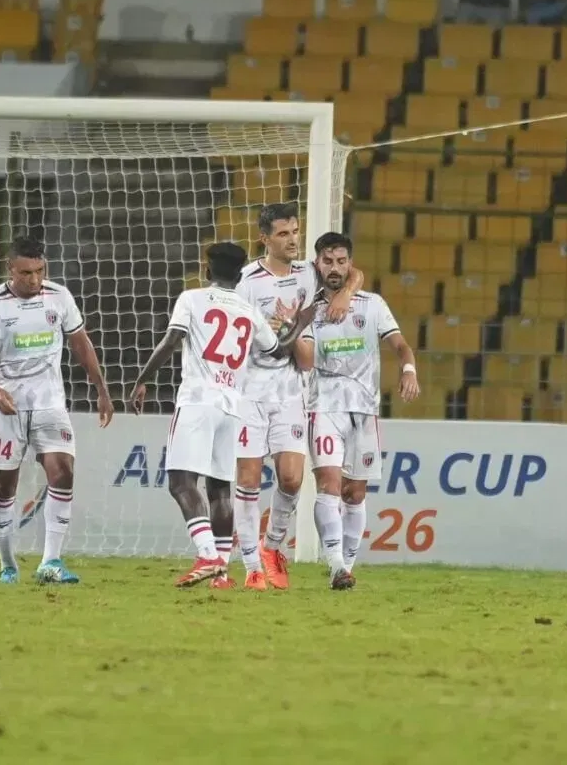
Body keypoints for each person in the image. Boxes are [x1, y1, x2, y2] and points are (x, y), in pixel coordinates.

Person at [129, 242, 313, 589]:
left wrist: (142, 379)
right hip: (233, 406)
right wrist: (296, 322)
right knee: (219, 490)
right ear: (240, 275)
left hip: (199, 401)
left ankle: (207, 555)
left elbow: (171, 340)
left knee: (181, 482)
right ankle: (223, 574)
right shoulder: (249, 311)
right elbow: (278, 351)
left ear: (207, 270)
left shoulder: (192, 298)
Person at [0, 235, 114, 584]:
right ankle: (7, 565)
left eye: (39, 271)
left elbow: (81, 343)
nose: (34, 279)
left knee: (63, 472)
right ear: (10, 269)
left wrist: (102, 388)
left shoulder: (59, 296)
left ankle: (51, 562)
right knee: (3, 488)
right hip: (8, 408)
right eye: (25, 273)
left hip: (50, 403)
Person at [234, 203, 362, 591]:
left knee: (291, 480)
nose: (293, 240)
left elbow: (353, 272)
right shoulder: (247, 281)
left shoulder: (308, 271)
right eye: (283, 234)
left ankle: (272, 548)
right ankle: (251, 568)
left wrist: (344, 295)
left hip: (290, 392)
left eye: (295, 232)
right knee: (248, 480)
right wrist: (269, 332)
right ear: (264, 238)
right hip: (250, 392)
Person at [297, 232, 420, 591]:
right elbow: (305, 358)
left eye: (341, 261)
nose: (334, 268)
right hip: (324, 407)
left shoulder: (372, 304)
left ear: (350, 264)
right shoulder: (309, 308)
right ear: (317, 263)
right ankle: (335, 565)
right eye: (327, 261)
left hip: (364, 410)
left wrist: (409, 370)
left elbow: (401, 346)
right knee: (329, 484)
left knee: (355, 494)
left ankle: (347, 568)